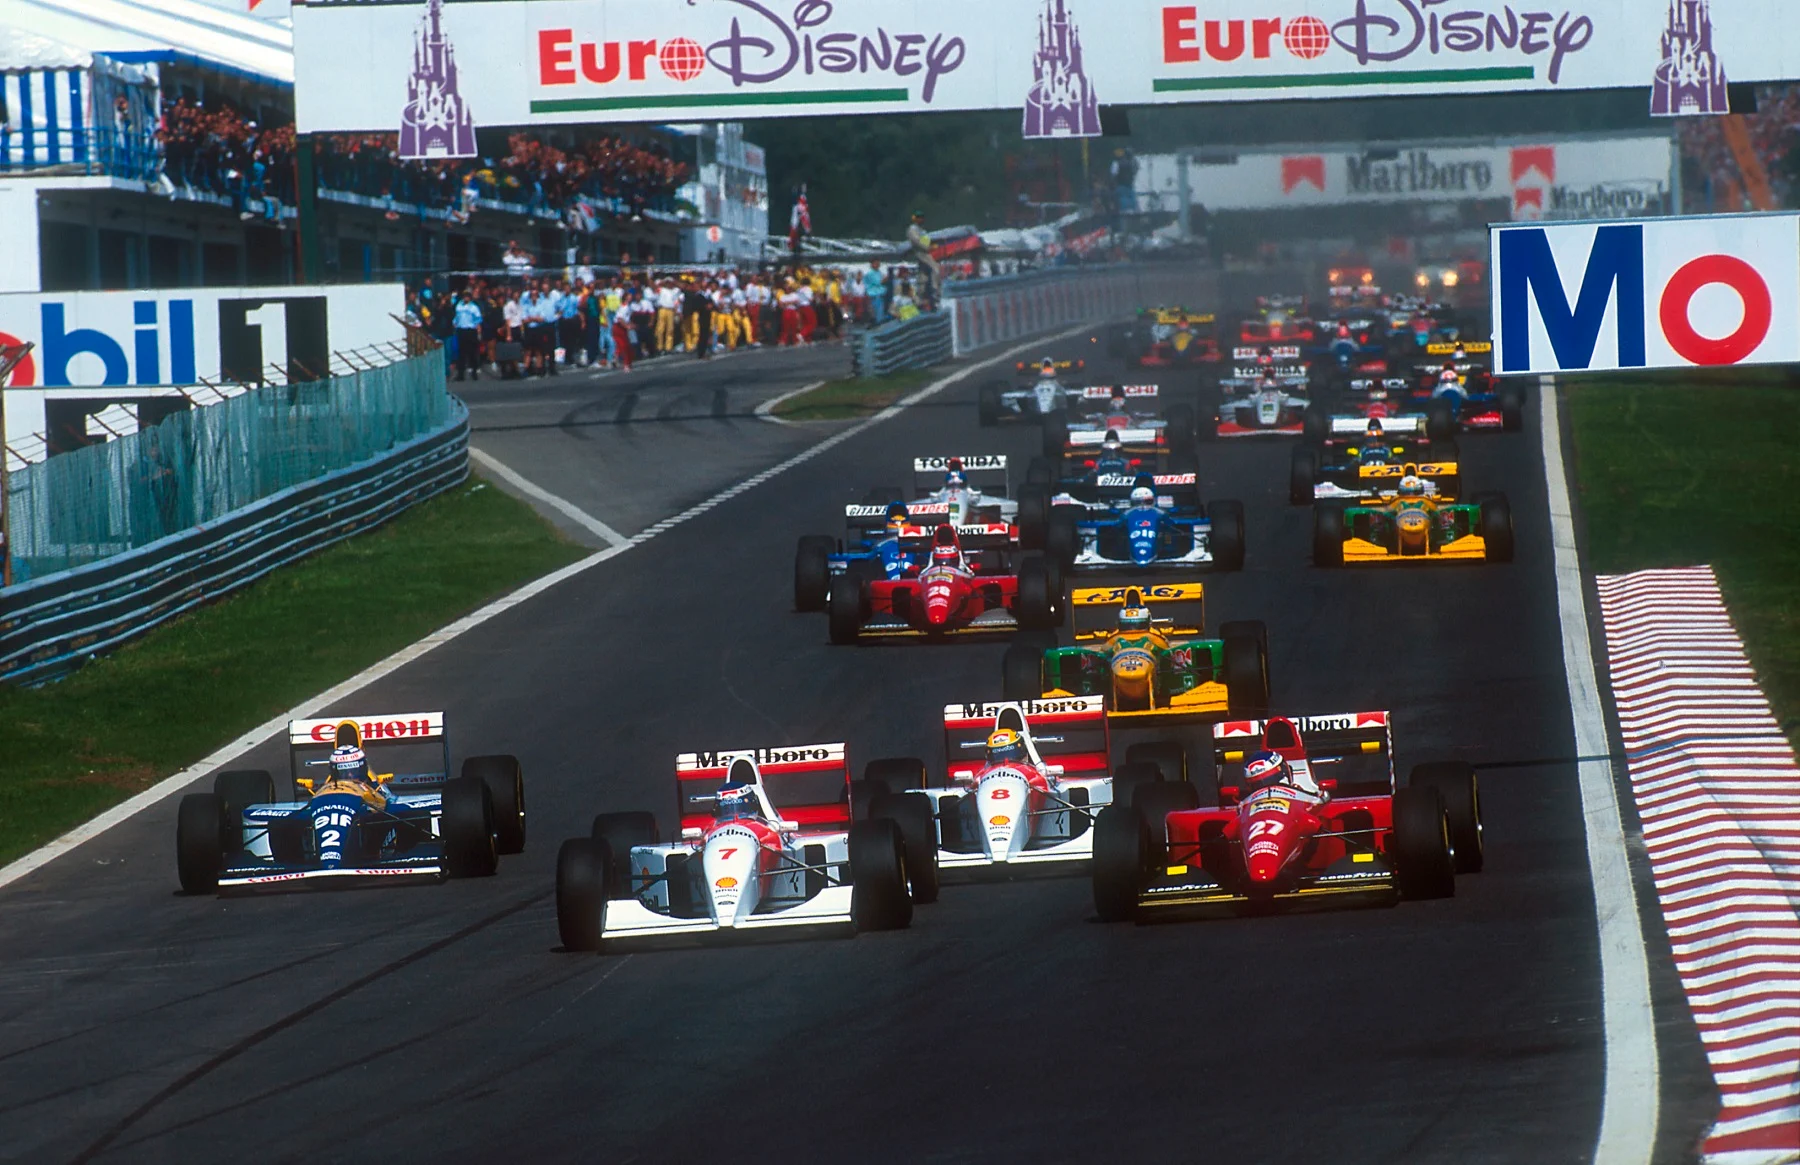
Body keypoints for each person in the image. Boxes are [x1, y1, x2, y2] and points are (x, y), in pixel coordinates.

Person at [452, 292, 483, 381]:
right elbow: (456, 317)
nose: (466, 298)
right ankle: (461, 374)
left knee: (472, 352)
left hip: (471, 330)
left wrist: (478, 330)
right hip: (461, 330)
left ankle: (474, 372)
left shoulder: (474, 307)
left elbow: (478, 319)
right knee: (461, 353)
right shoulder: (459, 306)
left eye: (467, 297)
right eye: (464, 296)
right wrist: (454, 323)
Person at [864, 260, 887, 325]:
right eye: (876, 263)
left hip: (880, 297)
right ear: (872, 264)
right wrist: (885, 279)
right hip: (875, 297)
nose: (878, 265)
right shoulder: (870, 274)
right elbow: (878, 282)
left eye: (878, 263)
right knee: (878, 317)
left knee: (881, 316)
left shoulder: (879, 272)